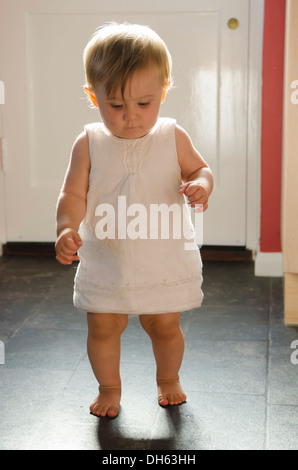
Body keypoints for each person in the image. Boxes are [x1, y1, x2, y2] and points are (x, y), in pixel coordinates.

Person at [55, 22, 214, 418]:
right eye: (116, 105)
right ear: (94, 97)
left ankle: (168, 378)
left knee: (163, 325)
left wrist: (201, 185)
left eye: (144, 104)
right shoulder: (89, 142)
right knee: (104, 327)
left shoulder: (171, 136)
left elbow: (201, 169)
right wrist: (65, 228)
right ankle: (109, 387)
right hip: (108, 255)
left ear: (163, 91)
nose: (131, 117)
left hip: (161, 256)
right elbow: (72, 193)